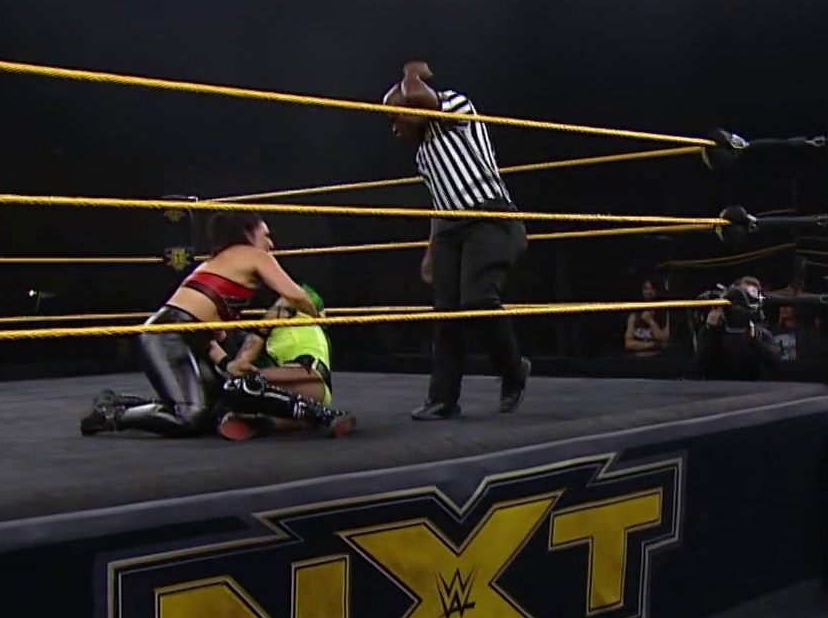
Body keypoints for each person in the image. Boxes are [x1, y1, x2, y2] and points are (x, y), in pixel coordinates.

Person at [80, 210, 323, 437]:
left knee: (213, 405)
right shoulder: (253, 255)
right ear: (248, 234)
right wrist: (317, 314)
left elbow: (208, 334)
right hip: (167, 334)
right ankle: (111, 415)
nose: (271, 244)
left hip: (186, 336)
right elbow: (296, 296)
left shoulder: (223, 263)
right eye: (266, 235)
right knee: (189, 416)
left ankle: (120, 402)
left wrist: (227, 364)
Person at [382, 60, 531, 420]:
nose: (394, 128)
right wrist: (430, 251)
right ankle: (443, 398)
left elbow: (419, 94)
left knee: (477, 299)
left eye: (396, 118)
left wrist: (411, 72)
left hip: (489, 218)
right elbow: (440, 203)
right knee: (446, 313)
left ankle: (513, 369)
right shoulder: (423, 156)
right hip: (450, 231)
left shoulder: (457, 109)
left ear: (414, 108)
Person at [214, 285, 354, 440]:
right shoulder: (264, 337)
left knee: (242, 385)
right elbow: (240, 366)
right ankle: (286, 421)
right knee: (235, 390)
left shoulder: (299, 311)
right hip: (294, 389)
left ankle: (325, 415)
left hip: (310, 372)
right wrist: (220, 338)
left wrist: (275, 313)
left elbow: (307, 301)